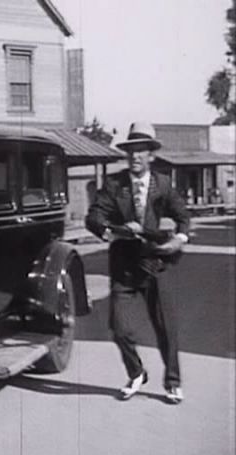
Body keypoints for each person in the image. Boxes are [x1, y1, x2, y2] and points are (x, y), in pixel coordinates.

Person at [86, 122, 190, 404]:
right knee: (119, 329)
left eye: (141, 152)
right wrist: (114, 231)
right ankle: (136, 373)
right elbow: (93, 216)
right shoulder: (114, 184)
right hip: (124, 267)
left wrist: (179, 239)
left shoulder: (164, 185)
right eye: (131, 151)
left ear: (151, 155)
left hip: (157, 265)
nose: (135, 157)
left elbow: (183, 218)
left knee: (166, 328)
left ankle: (172, 382)